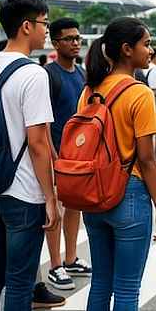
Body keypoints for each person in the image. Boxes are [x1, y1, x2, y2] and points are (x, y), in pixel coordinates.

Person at [0, 0, 60, 311]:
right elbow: (39, 143)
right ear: (26, 26)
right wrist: (51, 197)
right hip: (24, 192)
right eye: (44, 23)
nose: (46, 31)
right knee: (21, 283)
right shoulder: (33, 74)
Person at [81, 17, 156, 311]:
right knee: (128, 289)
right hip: (128, 193)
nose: (151, 50)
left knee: (101, 283)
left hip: (93, 193)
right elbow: (146, 159)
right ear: (127, 49)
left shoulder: (91, 89)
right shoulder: (139, 93)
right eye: (146, 44)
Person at [43, 18, 93, 291]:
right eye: (69, 39)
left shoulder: (82, 74)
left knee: (75, 206)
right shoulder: (48, 74)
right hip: (56, 153)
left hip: (79, 154)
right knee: (56, 210)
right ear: (55, 43)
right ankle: (55, 264)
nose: (75, 43)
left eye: (77, 38)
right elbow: (44, 121)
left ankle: (71, 257)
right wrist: (51, 155)